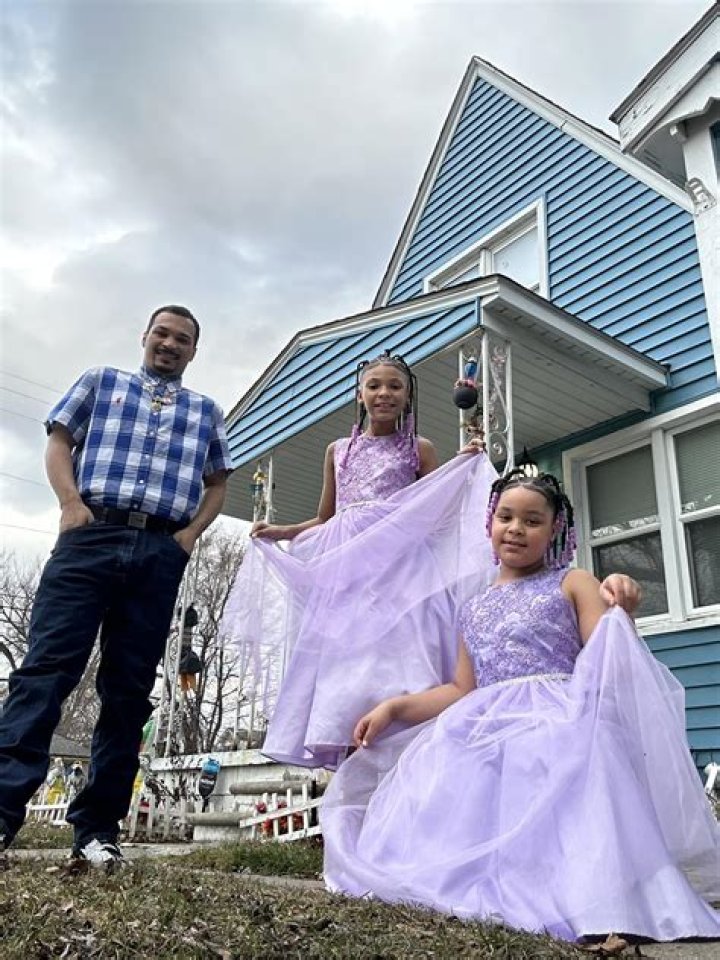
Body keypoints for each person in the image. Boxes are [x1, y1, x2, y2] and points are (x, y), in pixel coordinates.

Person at [322, 470, 720, 943]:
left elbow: (609, 654)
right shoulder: (472, 606)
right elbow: (461, 688)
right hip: (481, 724)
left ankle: (581, 897)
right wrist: (394, 707)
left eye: (532, 521)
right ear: (489, 523)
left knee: (559, 794)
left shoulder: (573, 582)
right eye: (506, 517)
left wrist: (621, 608)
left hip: (558, 717)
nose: (516, 528)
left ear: (555, 530)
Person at [222, 353, 640, 771]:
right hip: (349, 570)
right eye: (374, 386)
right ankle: (351, 756)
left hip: (401, 568)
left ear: (408, 396)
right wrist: (284, 531)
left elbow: (434, 504)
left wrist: (463, 465)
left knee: (400, 655)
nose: (384, 393)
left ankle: (405, 748)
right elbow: (326, 517)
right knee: (347, 664)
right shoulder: (338, 451)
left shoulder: (418, 449)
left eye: (395, 386)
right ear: (360, 394)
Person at [0, 305, 233, 869]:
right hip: (91, 536)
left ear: (194, 351)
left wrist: (188, 537)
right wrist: (70, 503)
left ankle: (97, 831)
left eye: (182, 339)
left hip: (158, 550)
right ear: (145, 337)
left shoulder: (205, 411)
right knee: (46, 672)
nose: (170, 344)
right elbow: (60, 441)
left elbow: (218, 482)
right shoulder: (101, 382)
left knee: (129, 691)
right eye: (162, 334)